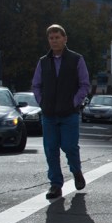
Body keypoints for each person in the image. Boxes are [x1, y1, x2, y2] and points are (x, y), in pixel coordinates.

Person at [32, 24, 91, 200]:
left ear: (65, 39)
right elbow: (36, 85)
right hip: (49, 114)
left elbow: (85, 85)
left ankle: (76, 172)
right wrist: (42, 101)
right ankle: (55, 185)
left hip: (69, 114)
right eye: (51, 38)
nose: (54, 40)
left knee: (70, 147)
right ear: (48, 40)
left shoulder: (76, 59)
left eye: (57, 37)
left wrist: (74, 102)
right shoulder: (43, 61)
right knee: (51, 150)